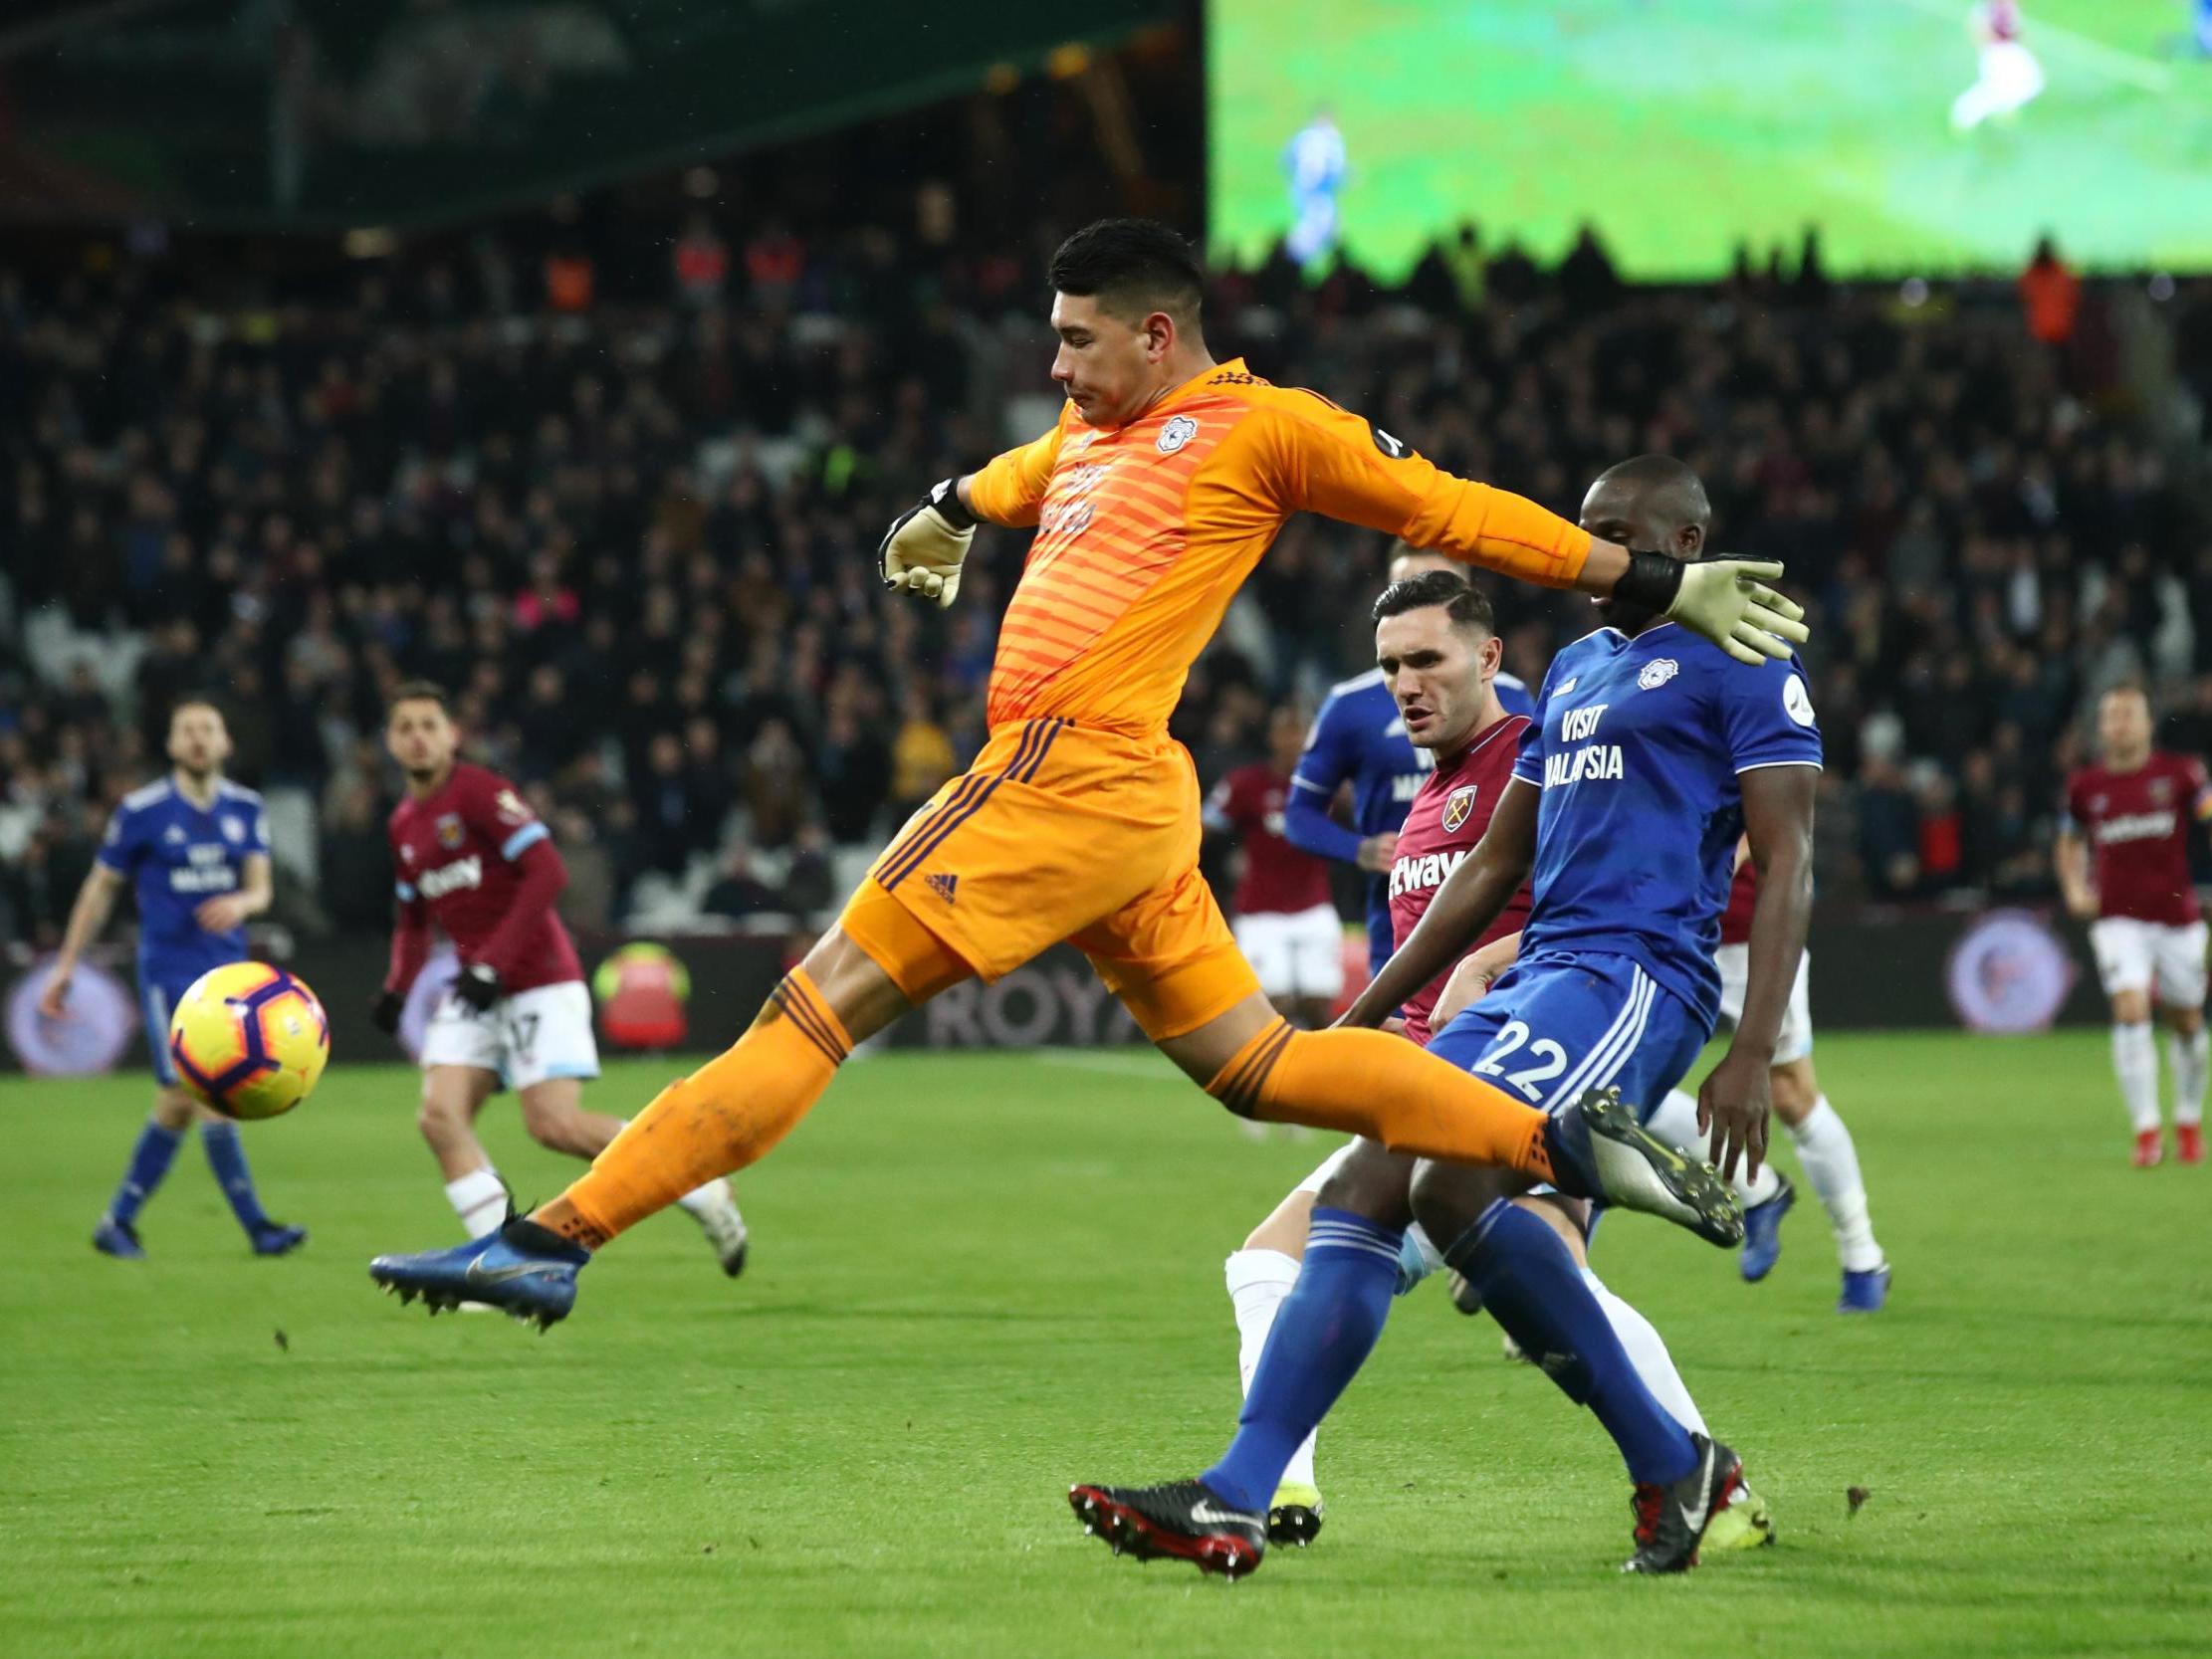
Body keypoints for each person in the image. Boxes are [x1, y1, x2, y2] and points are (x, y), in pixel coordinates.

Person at [367, 219, 1801, 1330]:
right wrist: (942, 506)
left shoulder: (1266, 429)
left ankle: (551, 1241)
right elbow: (1021, 467)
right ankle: (1555, 1141)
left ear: (1156, 332)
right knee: (1263, 1070)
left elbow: (1446, 507)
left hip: (1066, 770)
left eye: (1074, 340)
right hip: (1121, 803)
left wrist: (1651, 580)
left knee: (808, 1012)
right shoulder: (1092, 436)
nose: (1056, 364)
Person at [1072, 454, 1820, 1578]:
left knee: (1445, 1182)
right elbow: (1487, 870)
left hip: (1630, 976)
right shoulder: (1572, 670)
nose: (1601, 555)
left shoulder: (1740, 656)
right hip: (1538, 981)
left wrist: (1750, 1047)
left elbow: (1790, 853)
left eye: (1627, 531)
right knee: (1375, 1180)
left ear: (1691, 537)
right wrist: (1357, 1024)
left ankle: (1669, 1444)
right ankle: (1236, 1493)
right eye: (1588, 531)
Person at [1219, 568, 1770, 1555]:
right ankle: (1700, 1477)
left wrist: (1487, 971)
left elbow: (1596, 888)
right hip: (1443, 1072)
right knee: (1543, 1294)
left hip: (1521, 1062)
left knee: (1280, 1255)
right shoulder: (1429, 797)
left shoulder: (1542, 746)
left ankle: (1265, 1484)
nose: (1403, 683)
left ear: (1488, 658)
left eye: (1425, 658)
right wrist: (1364, 1035)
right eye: (1388, 664)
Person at [369, 682, 752, 1272]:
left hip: (539, 978)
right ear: (390, 742)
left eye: (428, 725)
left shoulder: (480, 793)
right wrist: (397, 988)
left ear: (453, 736)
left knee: (554, 1125)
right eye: (405, 728)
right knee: (440, 1117)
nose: (417, 737)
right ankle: (503, 1265)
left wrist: (493, 962)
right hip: (479, 988)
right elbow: (414, 920)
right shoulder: (403, 824)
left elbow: (548, 872)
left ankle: (697, 1184)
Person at [40, 699, 306, 1260]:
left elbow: (261, 888)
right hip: (170, 975)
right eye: (187, 730)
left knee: (177, 1102)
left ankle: (117, 1221)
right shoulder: (142, 810)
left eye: (209, 728)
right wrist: (67, 964)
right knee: (206, 1092)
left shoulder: (246, 807)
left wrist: (241, 902)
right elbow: (100, 888)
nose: (199, 739)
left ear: (226, 742)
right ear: (171, 745)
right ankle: (257, 1227)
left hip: (231, 979)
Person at [1647, 856, 1890, 1310]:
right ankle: (1757, 1190)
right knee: (1620, 1088)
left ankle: (1862, 1255)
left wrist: (1686, 874)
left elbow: (1755, 821)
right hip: (1660, 932)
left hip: (1749, 932)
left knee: (1790, 1095)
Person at [1284, 544, 1530, 979]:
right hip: (1394, 927)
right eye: (1404, 585)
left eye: (1437, 583)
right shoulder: (1350, 705)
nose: (1407, 686)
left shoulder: (1516, 704)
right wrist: (1358, 849)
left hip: (1499, 940)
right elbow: (1299, 814)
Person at [2057, 685, 2212, 1167]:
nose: (2119, 724)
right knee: (2130, 1007)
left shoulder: (2182, 774)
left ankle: (2187, 1117)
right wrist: (2074, 888)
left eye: (2129, 715)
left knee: (2186, 1020)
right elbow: (2069, 840)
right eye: (2111, 716)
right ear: (2101, 728)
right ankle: (2146, 1128)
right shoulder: (2085, 786)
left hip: (2177, 917)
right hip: (2118, 919)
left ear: (2148, 724)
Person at [1206, 706, 1344, 1030]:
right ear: (1272, 737)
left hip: (1313, 906)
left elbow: (1359, 822)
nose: (1293, 739)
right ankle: (1275, 1074)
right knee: (1273, 1003)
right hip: (1260, 911)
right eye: (1286, 730)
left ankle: (1322, 1074)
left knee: (1318, 1006)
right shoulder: (1246, 784)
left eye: (1300, 731)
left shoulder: (1327, 786)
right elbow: (1205, 827)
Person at [1951, 1, 2045, 132]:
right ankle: (1968, 115)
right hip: (1998, 51)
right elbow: (1978, 28)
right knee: (1999, 88)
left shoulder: (2009, 7)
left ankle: (2003, 112)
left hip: (2010, 49)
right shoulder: (1988, 9)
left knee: (2028, 82)